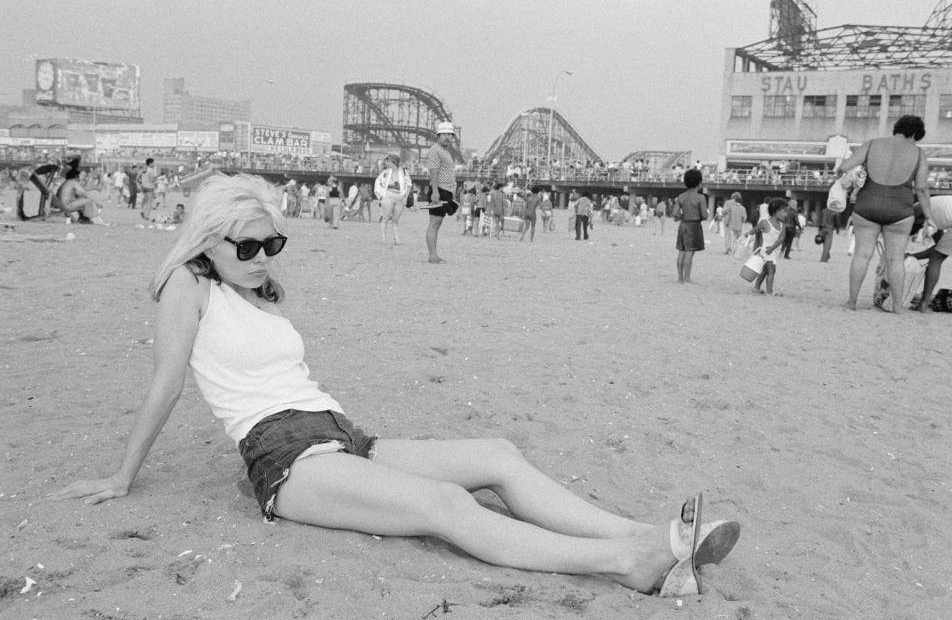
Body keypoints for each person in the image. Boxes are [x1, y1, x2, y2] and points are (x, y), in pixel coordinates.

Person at [48, 174, 739, 597]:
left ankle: (655, 536)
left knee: (496, 454)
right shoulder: (186, 284)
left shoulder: (251, 289)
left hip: (337, 432)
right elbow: (167, 383)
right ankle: (628, 563)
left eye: (272, 245)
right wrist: (121, 475)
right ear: (207, 242)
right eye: (246, 247)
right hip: (284, 458)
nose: (261, 260)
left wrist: (342, 435)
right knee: (445, 504)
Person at [837, 115, 935, 312]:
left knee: (862, 255)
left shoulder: (872, 144)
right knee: (895, 259)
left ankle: (852, 302)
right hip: (900, 210)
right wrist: (929, 217)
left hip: (867, 205)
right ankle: (898, 306)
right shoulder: (918, 154)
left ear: (897, 128)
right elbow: (922, 189)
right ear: (915, 134)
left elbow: (844, 167)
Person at [911, 194, 952, 312]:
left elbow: (936, 255)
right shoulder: (934, 216)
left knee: (935, 261)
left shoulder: (914, 212)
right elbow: (937, 248)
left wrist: (912, 256)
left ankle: (924, 303)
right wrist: (914, 256)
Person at [425, 122, 460, 263]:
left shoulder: (445, 151)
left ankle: (434, 254)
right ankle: (432, 255)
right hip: (439, 190)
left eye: (450, 135)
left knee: (438, 222)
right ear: (438, 136)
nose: (447, 137)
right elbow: (433, 171)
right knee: (435, 222)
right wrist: (434, 192)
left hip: (446, 191)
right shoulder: (435, 150)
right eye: (444, 134)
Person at [744, 198, 788, 295]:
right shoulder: (765, 222)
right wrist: (748, 233)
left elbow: (781, 239)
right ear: (776, 211)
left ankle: (756, 287)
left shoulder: (783, 225)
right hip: (765, 250)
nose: (786, 214)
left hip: (773, 250)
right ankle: (770, 291)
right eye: (784, 211)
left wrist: (773, 248)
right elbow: (756, 229)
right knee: (772, 271)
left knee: (764, 271)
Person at [673, 169, 708, 284]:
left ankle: (680, 278)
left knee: (681, 251)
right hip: (694, 226)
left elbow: (675, 214)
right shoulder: (700, 197)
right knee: (689, 252)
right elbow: (704, 215)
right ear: (699, 182)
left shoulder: (681, 196)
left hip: (683, 225)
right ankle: (687, 278)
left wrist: (683, 215)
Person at [374, 153, 411, 245]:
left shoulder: (403, 171)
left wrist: (406, 197)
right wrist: (381, 196)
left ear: (393, 162)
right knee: (385, 218)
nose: (387, 162)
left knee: (395, 219)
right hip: (388, 196)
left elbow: (409, 184)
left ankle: (396, 239)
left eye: (389, 161)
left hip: (400, 197)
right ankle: (383, 238)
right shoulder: (386, 172)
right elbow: (378, 181)